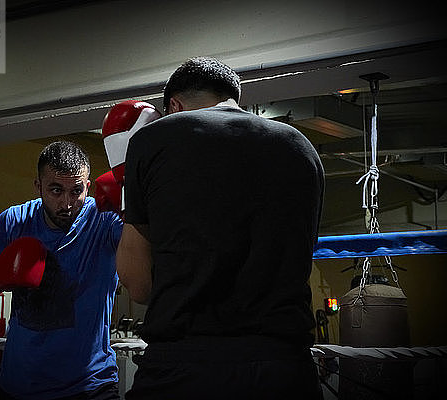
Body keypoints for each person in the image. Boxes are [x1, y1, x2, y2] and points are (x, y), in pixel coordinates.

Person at [116, 57, 325, 399]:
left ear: (175, 105)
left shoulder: (155, 138)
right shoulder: (302, 148)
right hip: (285, 368)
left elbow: (138, 286)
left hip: (186, 366)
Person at [0, 140, 123, 400]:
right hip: (18, 386)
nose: (67, 203)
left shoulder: (105, 219)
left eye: (76, 191)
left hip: (90, 386)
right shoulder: (13, 222)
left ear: (88, 186)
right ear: (38, 186)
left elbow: (151, 258)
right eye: (56, 190)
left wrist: (135, 208)